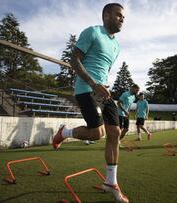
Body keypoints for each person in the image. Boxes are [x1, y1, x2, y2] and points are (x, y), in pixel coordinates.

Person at [51, 3, 129, 203]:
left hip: (104, 91)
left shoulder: (117, 46)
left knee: (114, 133)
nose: (122, 19)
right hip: (86, 88)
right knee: (96, 133)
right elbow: (74, 60)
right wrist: (93, 84)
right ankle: (64, 133)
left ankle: (111, 182)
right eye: (119, 15)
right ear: (106, 15)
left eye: (123, 17)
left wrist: (103, 87)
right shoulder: (92, 32)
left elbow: (104, 69)